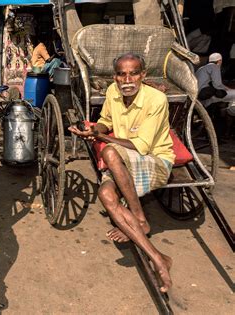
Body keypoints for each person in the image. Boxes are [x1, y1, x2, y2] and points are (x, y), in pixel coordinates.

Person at [69, 53, 175, 293]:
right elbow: (106, 120)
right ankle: (159, 258)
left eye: (134, 73)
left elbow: (142, 147)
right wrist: (95, 128)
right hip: (123, 161)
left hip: (155, 161)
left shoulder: (156, 99)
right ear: (114, 77)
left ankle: (138, 217)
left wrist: (100, 137)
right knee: (106, 196)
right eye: (121, 74)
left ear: (143, 75)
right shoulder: (112, 92)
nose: (127, 79)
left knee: (109, 152)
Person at [195, 52, 235, 138]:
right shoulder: (214, 67)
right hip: (205, 95)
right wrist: (229, 89)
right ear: (219, 61)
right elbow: (218, 85)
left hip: (199, 96)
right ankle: (230, 113)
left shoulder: (201, 68)